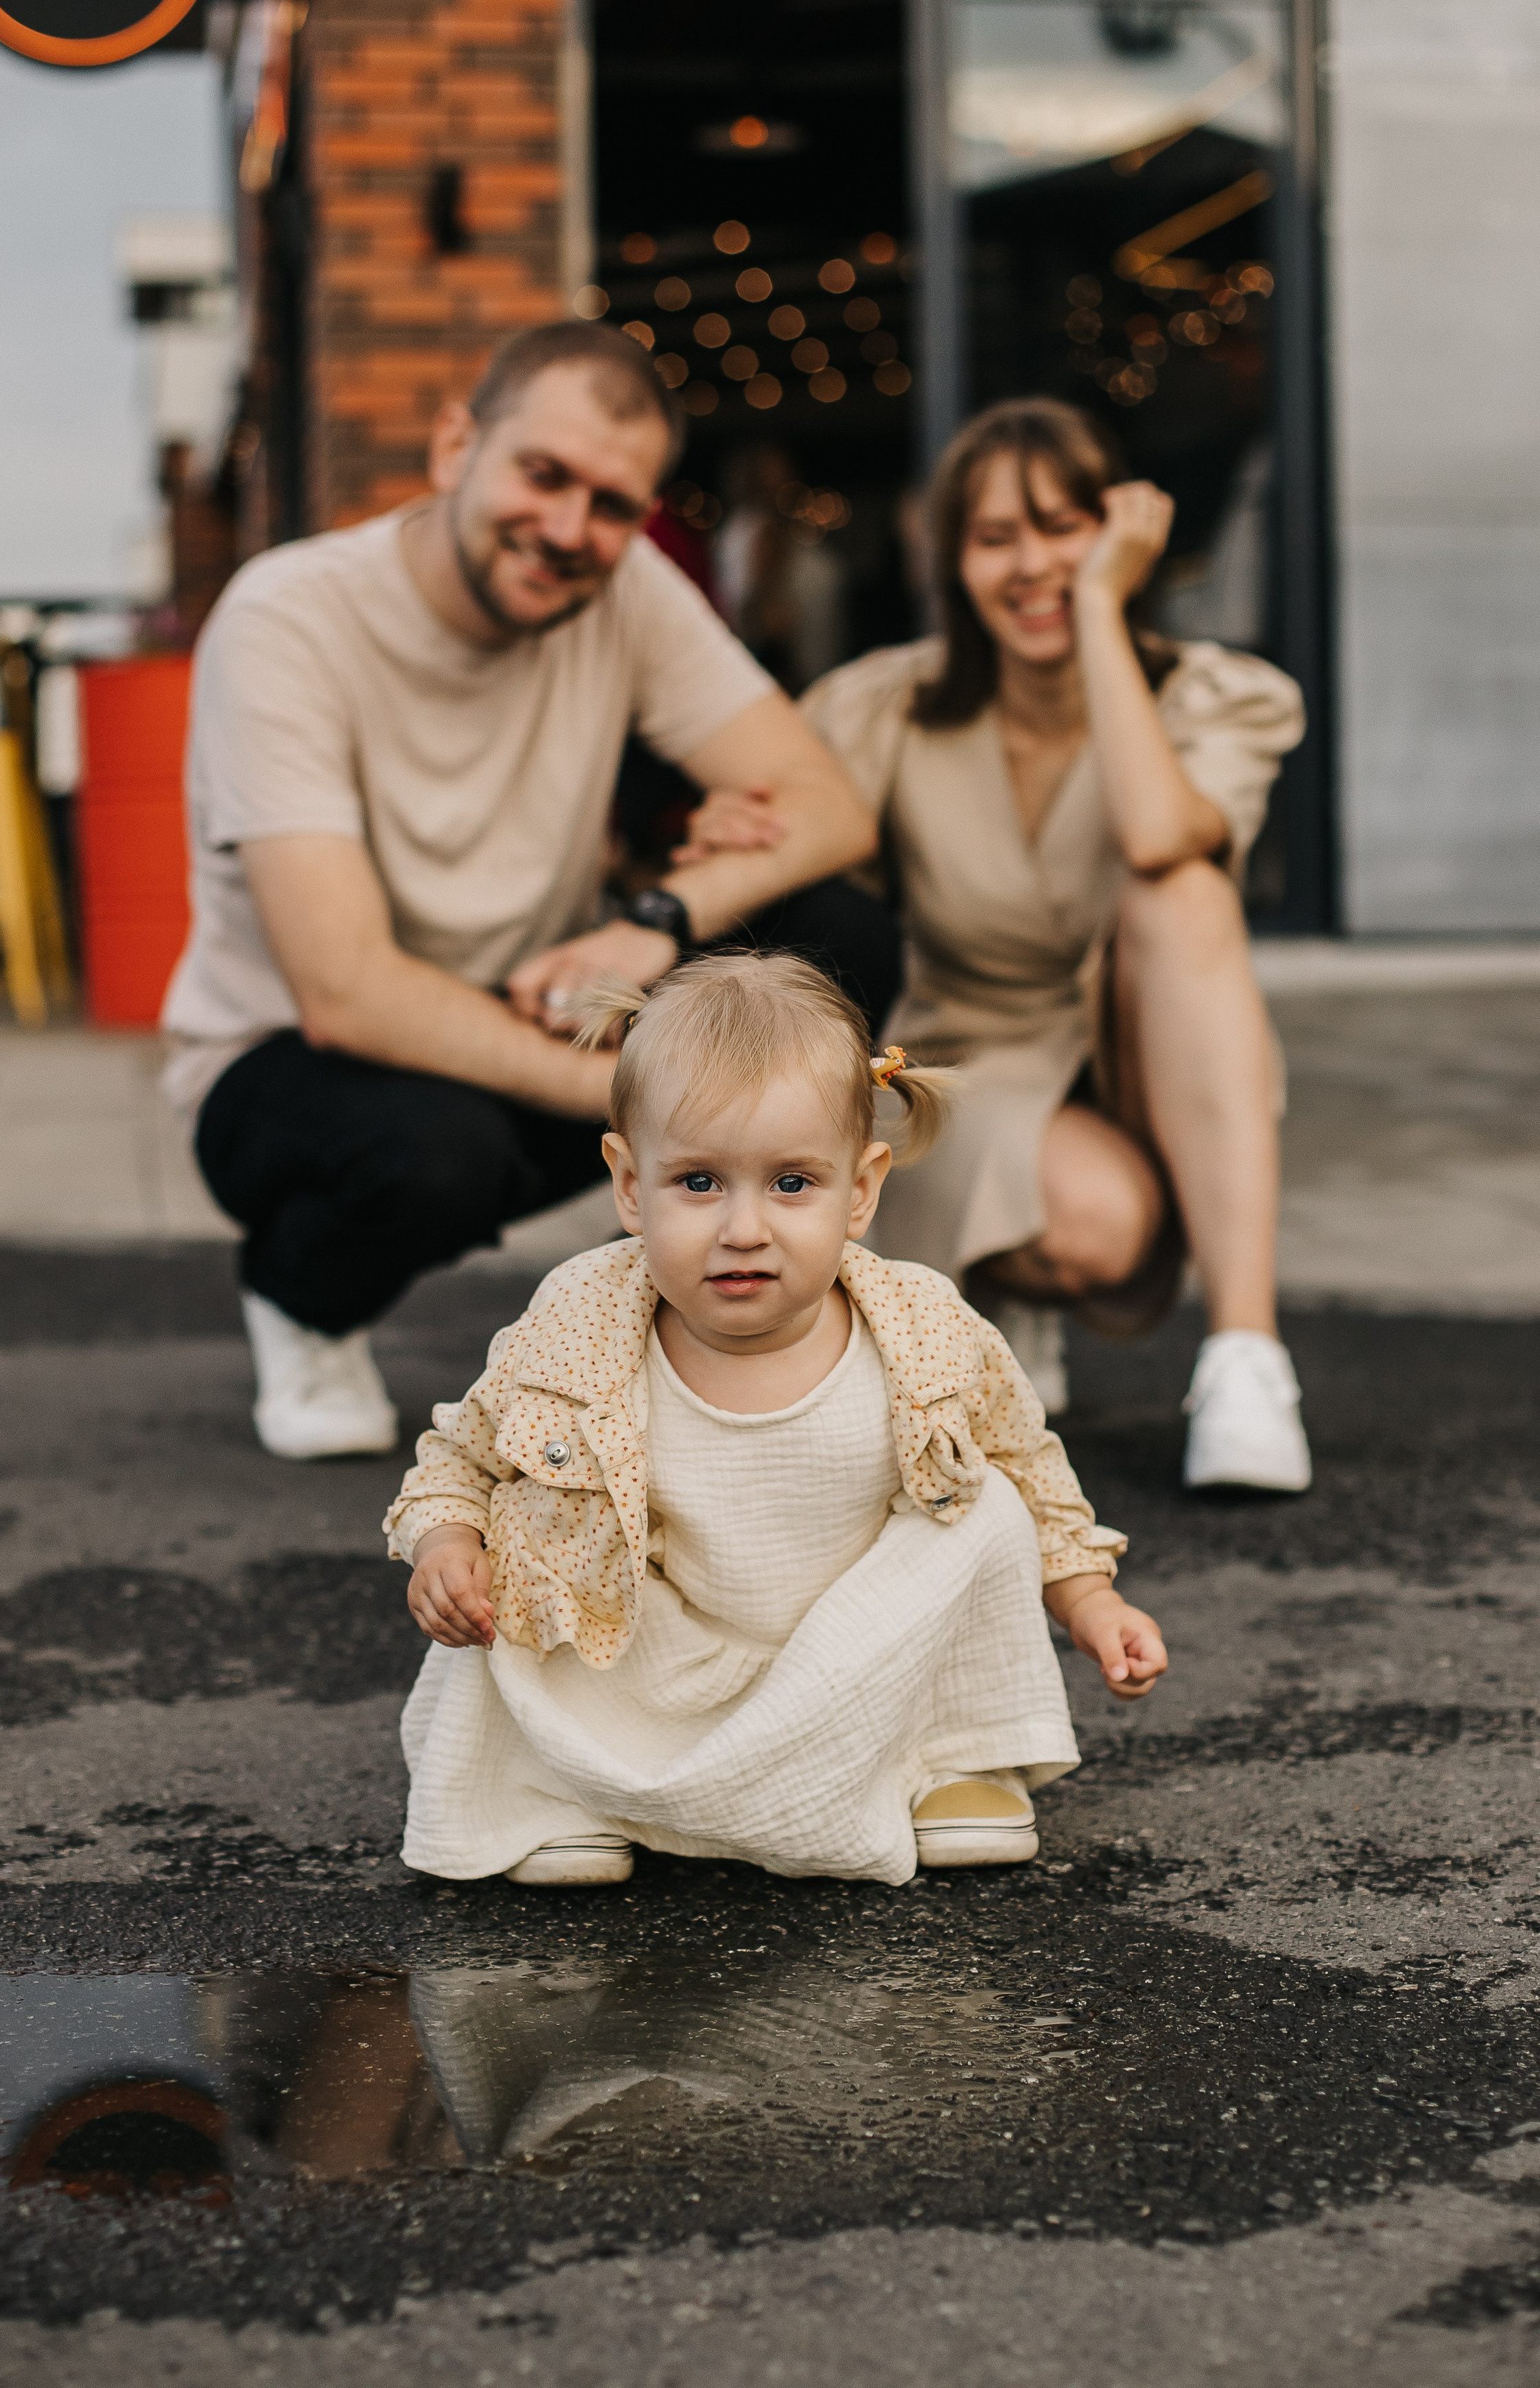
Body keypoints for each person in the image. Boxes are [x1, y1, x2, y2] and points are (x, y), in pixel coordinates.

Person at [159, 322, 886, 1460]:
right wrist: (659, 1109)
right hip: (294, 1059)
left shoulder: (626, 590)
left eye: (610, 505)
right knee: (434, 1155)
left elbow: (827, 808)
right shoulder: (286, 618)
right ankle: (300, 1299)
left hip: (535, 998)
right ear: (457, 445)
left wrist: (658, 922)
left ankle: (718, 1317)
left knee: (838, 936)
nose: (567, 529)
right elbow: (345, 989)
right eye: (543, 475)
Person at [387, 953, 1165, 1888]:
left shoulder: (922, 1327)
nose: (744, 1228)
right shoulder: (577, 1322)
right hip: (656, 1655)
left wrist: (1089, 1600)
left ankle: (951, 1761)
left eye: (792, 1184)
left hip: (865, 1663)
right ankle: (570, 1789)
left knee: (987, 1501)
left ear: (862, 1189)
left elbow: (1030, 1465)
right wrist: (444, 1543)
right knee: (520, 1531)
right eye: (700, 1183)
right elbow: (461, 1457)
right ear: (630, 1185)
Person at [788, 397, 1308, 1491]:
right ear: (951, 561)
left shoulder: (1218, 696)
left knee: (1183, 894)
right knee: (1098, 1230)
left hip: (1145, 1047)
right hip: (970, 1055)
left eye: (1063, 528)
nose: (1034, 566)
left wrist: (1103, 617)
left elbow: (1162, 832)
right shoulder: (890, 706)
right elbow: (782, 839)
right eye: (994, 538)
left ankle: (1247, 1363)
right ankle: (999, 1283)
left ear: (1120, 538)